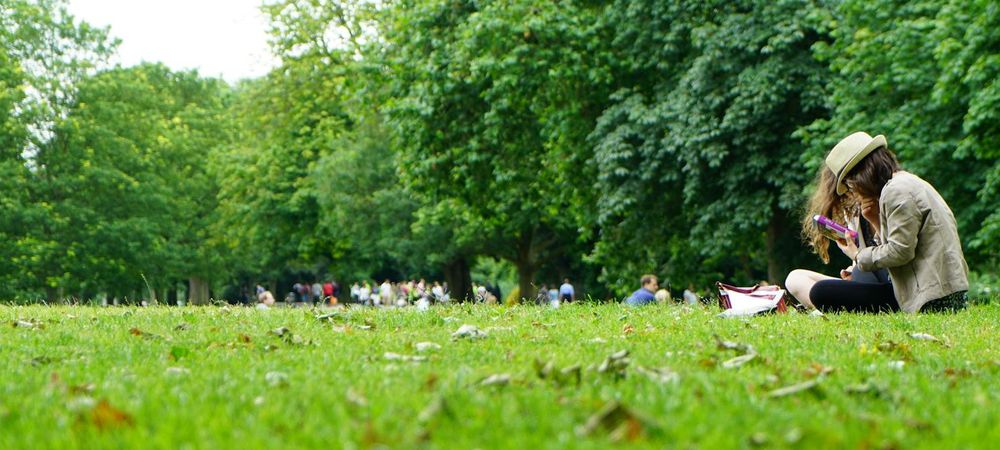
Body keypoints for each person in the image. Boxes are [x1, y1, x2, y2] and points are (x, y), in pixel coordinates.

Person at [785, 132, 968, 313]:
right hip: (934, 291)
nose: (852, 191)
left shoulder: (896, 191)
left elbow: (900, 252)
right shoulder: (903, 183)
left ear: (862, 173)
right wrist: (873, 218)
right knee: (815, 281)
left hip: (932, 298)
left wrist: (857, 256)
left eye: (849, 184)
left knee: (821, 292)